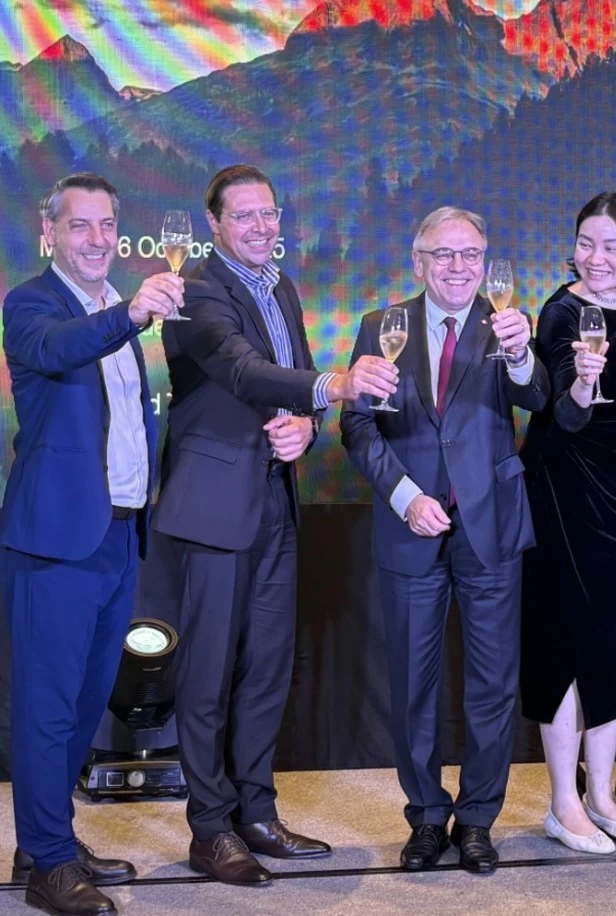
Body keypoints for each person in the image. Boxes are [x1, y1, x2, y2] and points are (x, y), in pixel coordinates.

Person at [155, 164, 398, 886]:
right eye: (245, 216)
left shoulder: (282, 285)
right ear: (215, 224)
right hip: (213, 503)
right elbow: (239, 369)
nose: (263, 227)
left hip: (274, 498)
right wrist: (336, 386)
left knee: (266, 666)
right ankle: (210, 828)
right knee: (208, 673)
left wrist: (307, 423)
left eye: (270, 214)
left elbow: (293, 383)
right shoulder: (196, 288)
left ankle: (256, 814)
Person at [341, 206, 549, 874]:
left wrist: (522, 355)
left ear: (484, 263)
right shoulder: (382, 325)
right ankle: (428, 816)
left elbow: (538, 399)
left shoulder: (506, 322)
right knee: (412, 684)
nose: (459, 267)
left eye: (471, 255)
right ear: (418, 262)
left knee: (493, 685)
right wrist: (406, 496)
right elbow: (357, 426)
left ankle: (479, 818)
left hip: (490, 527)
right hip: (411, 528)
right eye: (444, 254)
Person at [0, 173, 181, 916]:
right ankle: (48, 863)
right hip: (56, 540)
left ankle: (48, 842)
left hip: (118, 534)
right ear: (50, 233)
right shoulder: (32, 304)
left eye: (107, 224)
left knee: (82, 704)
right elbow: (56, 349)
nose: (98, 238)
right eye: (81, 225)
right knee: (47, 707)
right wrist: (132, 314)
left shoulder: (113, 308)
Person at [520, 192, 616, 854]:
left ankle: (602, 794)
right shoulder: (560, 311)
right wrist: (582, 382)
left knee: (610, 640)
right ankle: (563, 802)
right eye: (586, 242)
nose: (597, 257)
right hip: (560, 487)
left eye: (612, 245)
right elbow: (566, 412)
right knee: (564, 640)